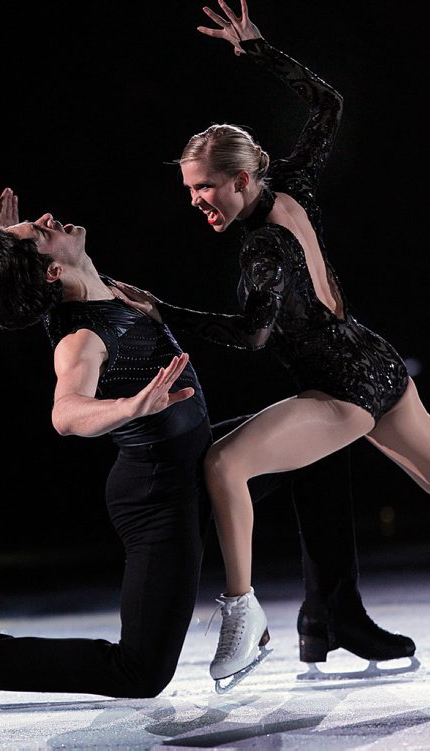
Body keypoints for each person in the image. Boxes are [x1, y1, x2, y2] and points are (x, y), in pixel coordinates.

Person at [0, 183, 414, 700]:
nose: (47, 217)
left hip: (199, 457)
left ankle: (332, 613)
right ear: (52, 271)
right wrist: (129, 407)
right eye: (39, 231)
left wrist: (0, 241)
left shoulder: (95, 285)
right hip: (159, 497)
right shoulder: (82, 339)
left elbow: (16, 293)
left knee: (319, 446)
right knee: (139, 672)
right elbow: (65, 413)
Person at [113, 0, 429, 688]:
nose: (197, 201)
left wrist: (161, 306)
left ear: (241, 179)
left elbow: (252, 335)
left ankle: (242, 615)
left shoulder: (259, 250)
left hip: (344, 390)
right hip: (376, 362)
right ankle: (315, 613)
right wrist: (257, 48)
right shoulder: (295, 180)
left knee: (225, 463)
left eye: (205, 189)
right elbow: (329, 102)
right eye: (190, 189)